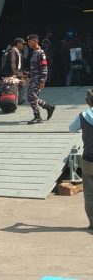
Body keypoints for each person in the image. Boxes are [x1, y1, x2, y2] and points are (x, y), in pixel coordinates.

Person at [69, 89, 93, 230]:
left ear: (86, 101)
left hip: (88, 159)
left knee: (89, 195)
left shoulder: (83, 115)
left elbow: (72, 128)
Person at [26, 34, 55, 124]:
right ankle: (48, 107)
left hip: (38, 79)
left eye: (30, 42)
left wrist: (42, 81)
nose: (28, 43)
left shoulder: (40, 53)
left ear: (35, 41)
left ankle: (37, 117)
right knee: (31, 96)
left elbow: (44, 68)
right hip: (33, 78)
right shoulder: (34, 52)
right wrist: (28, 74)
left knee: (31, 96)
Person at [2, 37, 27, 104]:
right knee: (20, 84)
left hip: (17, 72)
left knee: (20, 85)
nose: (23, 45)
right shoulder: (12, 52)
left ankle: (17, 99)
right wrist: (14, 74)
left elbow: (18, 64)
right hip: (12, 73)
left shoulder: (18, 52)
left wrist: (22, 72)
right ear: (18, 43)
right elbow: (12, 63)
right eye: (22, 44)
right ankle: (17, 100)